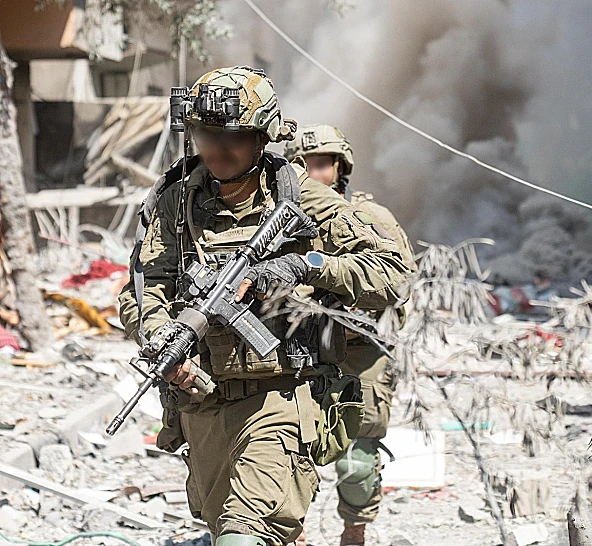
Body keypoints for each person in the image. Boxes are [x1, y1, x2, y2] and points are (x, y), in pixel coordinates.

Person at [118, 67, 409, 546]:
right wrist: (161, 340)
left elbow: (390, 271)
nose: (216, 150)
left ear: (261, 138)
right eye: (204, 136)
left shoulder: (301, 197)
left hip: (282, 397)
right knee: (224, 527)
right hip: (205, 401)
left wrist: (303, 265)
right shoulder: (178, 200)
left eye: (231, 138)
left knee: (245, 534)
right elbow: (145, 286)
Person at [284, 124, 415, 546]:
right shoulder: (280, 225)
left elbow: (401, 287)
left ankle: (354, 532)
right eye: (302, 166)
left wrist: (363, 300)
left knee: (357, 463)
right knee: (286, 452)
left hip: (361, 354)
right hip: (304, 351)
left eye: (319, 164)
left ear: (340, 168)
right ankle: (294, 533)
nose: (311, 173)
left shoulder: (370, 219)